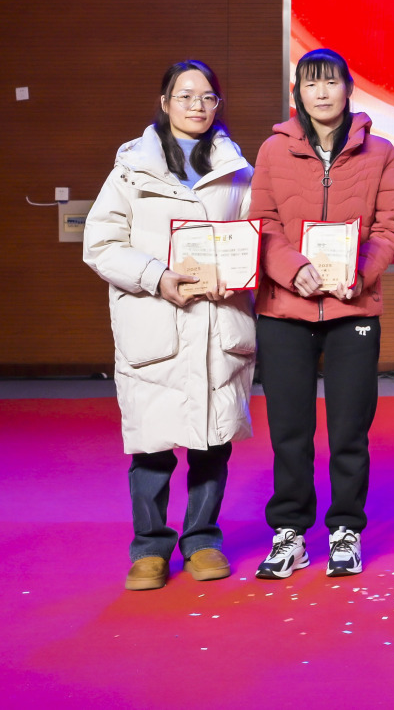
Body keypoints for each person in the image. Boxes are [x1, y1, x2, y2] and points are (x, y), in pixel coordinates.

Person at [83, 60, 256, 591]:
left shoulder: (238, 171)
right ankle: (150, 547)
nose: (197, 106)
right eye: (185, 96)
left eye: (207, 97)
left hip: (218, 323)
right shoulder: (131, 170)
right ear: (164, 102)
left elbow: (255, 238)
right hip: (156, 323)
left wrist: (237, 277)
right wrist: (157, 277)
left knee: (212, 441)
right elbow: (101, 244)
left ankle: (202, 540)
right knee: (152, 444)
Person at [250, 48, 394, 580]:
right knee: (289, 430)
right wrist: (291, 270)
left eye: (331, 82)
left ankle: (345, 531)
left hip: (353, 305)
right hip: (284, 309)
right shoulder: (273, 149)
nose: (321, 92)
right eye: (310, 83)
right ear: (297, 91)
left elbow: (387, 229)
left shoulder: (379, 151)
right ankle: (289, 534)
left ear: (348, 88)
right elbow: (263, 224)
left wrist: (361, 273)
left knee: (349, 431)